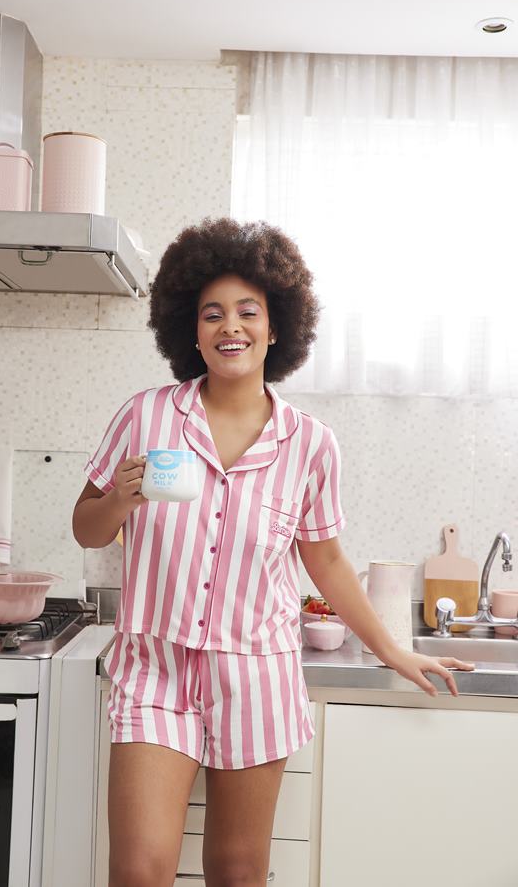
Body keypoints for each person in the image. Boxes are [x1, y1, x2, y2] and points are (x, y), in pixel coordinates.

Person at [72, 217, 474, 887]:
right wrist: (119, 499)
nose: (231, 327)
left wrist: (395, 651)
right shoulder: (145, 417)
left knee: (237, 870)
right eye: (212, 314)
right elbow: (87, 527)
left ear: (277, 325)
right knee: (138, 871)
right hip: (156, 670)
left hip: (256, 676)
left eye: (248, 311)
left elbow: (328, 564)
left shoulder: (310, 444)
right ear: (190, 330)